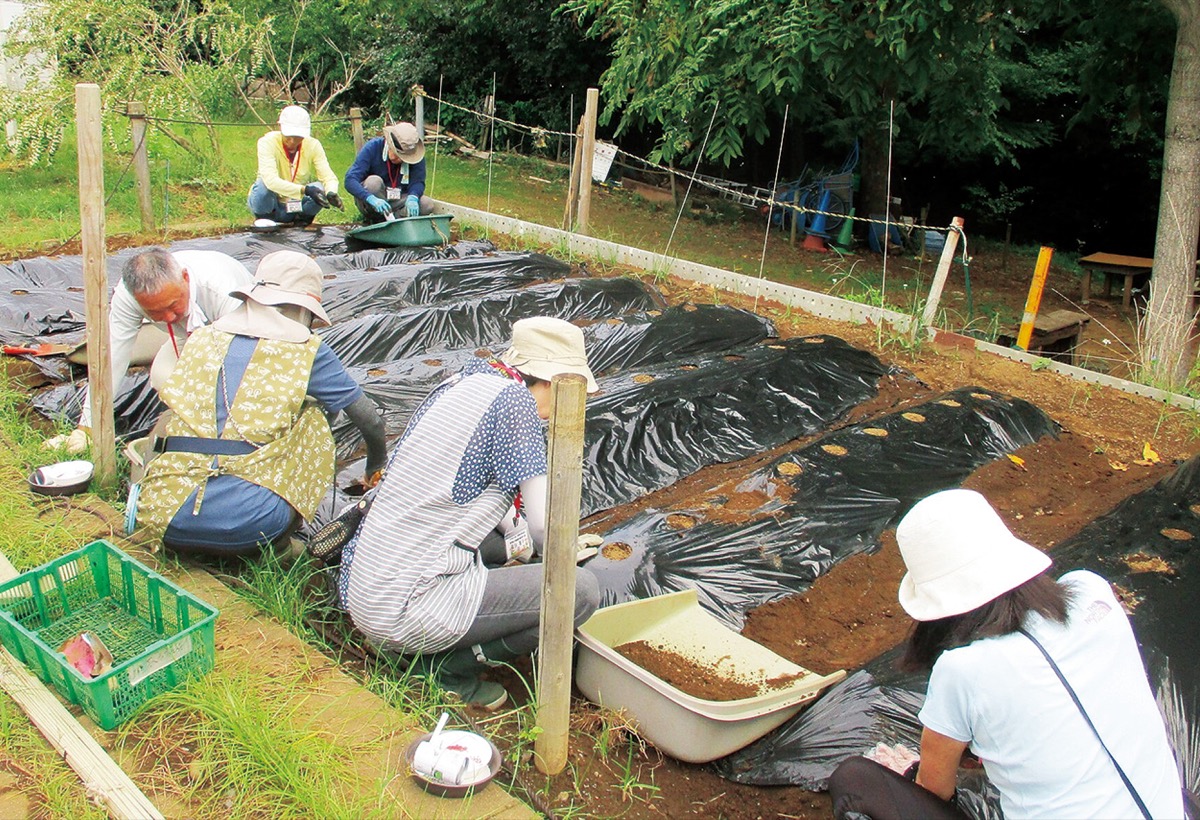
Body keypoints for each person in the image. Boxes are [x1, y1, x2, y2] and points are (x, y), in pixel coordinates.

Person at [828, 488, 1184, 820]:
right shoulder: (1094, 591)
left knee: (855, 780)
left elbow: (934, 789)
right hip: (1168, 810)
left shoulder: (962, 670)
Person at [339, 316, 602, 709]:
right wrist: (562, 551)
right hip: (402, 605)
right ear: (552, 381)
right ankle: (445, 670)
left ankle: (411, 642)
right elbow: (546, 528)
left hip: (366, 584)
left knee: (507, 547)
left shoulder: (466, 381)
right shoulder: (518, 409)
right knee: (581, 591)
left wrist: (523, 548)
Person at [135, 250, 387, 558]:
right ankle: (279, 546)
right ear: (302, 308)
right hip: (249, 524)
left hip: (162, 514)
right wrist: (375, 465)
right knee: (315, 416)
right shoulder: (304, 349)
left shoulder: (202, 338)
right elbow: (369, 418)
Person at [45, 247, 253, 454]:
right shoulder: (128, 296)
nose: (169, 317)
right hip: (190, 334)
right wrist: (87, 428)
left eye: (173, 305)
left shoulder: (222, 288)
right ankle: (196, 428)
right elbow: (112, 357)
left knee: (224, 385)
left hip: (250, 331)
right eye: (155, 312)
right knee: (163, 375)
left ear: (185, 278)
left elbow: (244, 353)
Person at [247, 105, 343, 226]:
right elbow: (270, 181)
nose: (292, 141)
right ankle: (266, 223)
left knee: (320, 188)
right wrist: (305, 190)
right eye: (289, 136)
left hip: (295, 205)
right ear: (280, 127)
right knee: (262, 186)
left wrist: (331, 192)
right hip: (272, 204)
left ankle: (302, 222)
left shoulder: (313, 145)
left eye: (298, 137)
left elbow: (328, 177)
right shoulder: (266, 142)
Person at [343, 121, 433, 223]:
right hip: (373, 199)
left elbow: (418, 182)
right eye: (395, 153)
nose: (397, 159)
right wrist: (369, 198)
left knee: (427, 204)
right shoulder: (372, 147)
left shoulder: (415, 155)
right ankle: (377, 218)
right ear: (388, 143)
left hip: (399, 199)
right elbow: (350, 180)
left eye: (403, 158)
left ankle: (393, 221)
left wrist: (413, 196)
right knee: (373, 182)